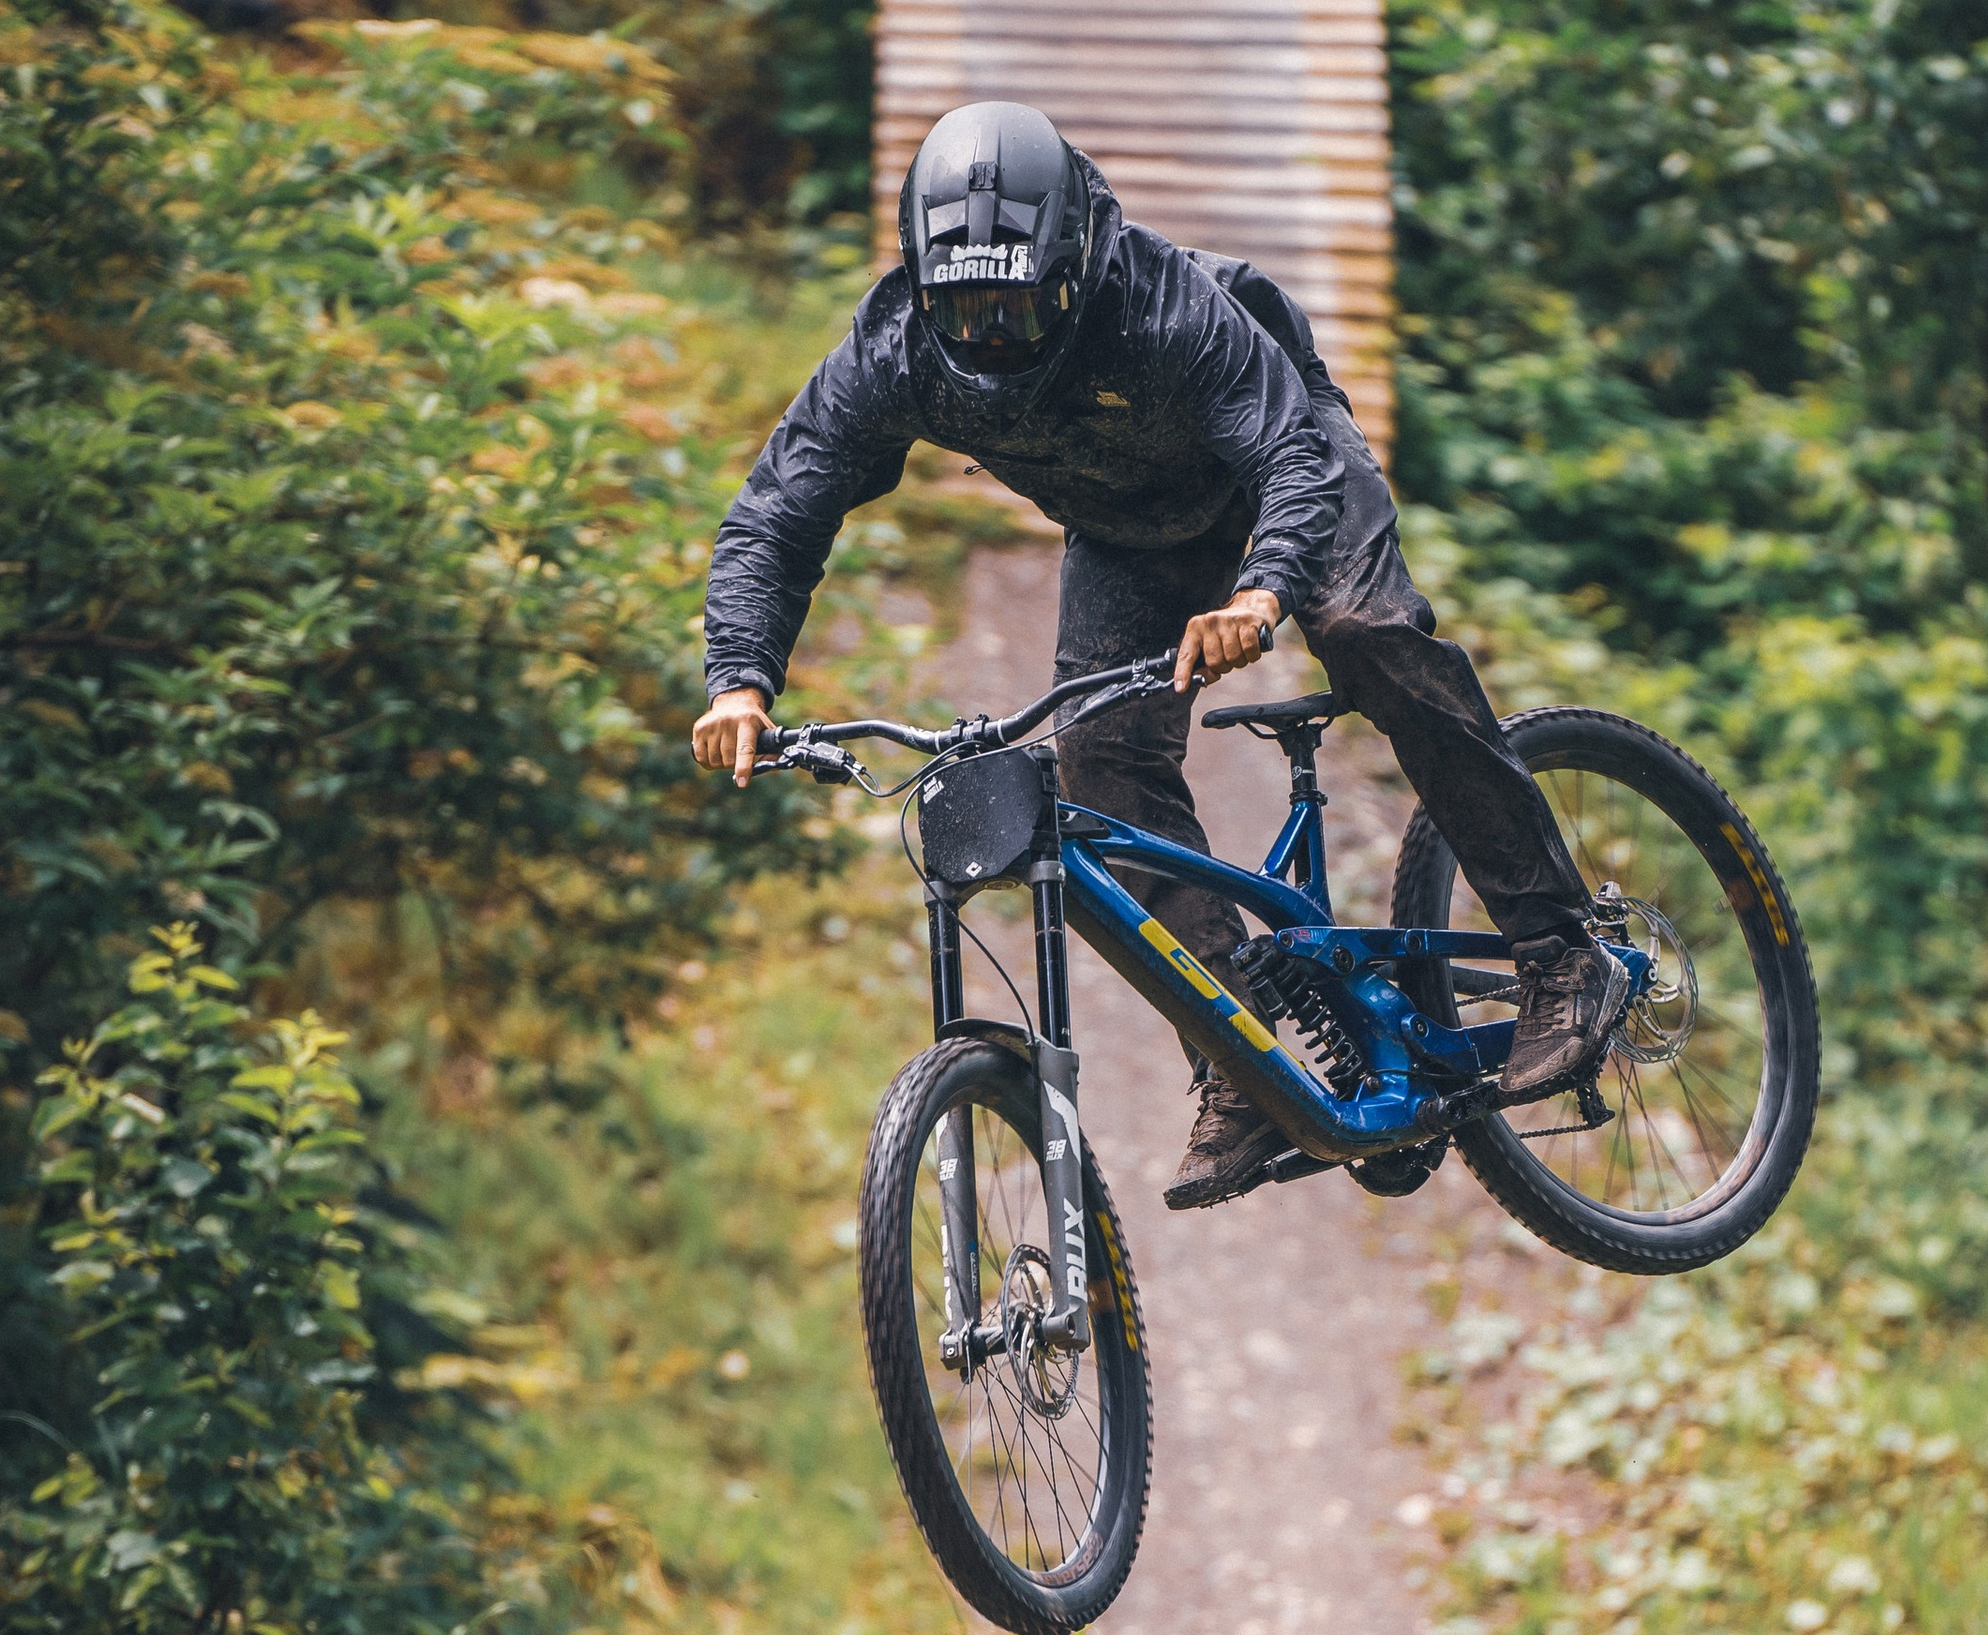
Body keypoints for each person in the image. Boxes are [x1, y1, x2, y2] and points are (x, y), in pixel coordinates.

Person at [695, 100, 1626, 1208]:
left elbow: (1287, 449)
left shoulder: (1161, 305)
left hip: (1278, 468)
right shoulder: (895, 348)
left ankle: (1564, 948)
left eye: (1018, 304)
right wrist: (741, 679)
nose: (991, 334)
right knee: (1098, 769)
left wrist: (1265, 587)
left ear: (1075, 266)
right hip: (1131, 530)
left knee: (1367, 637)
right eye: (966, 310)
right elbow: (777, 514)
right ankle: (1241, 1052)